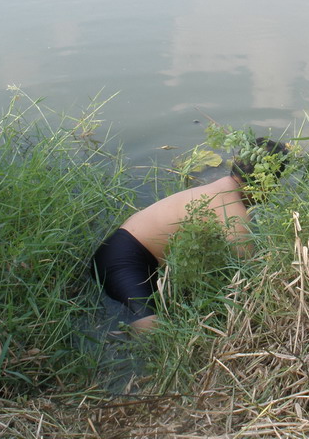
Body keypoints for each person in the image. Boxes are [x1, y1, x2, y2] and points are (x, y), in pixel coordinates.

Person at [91, 137, 290, 332]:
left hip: (118, 251)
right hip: (125, 262)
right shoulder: (233, 210)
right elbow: (252, 278)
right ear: (267, 181)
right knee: (153, 336)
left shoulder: (217, 187)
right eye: (275, 184)